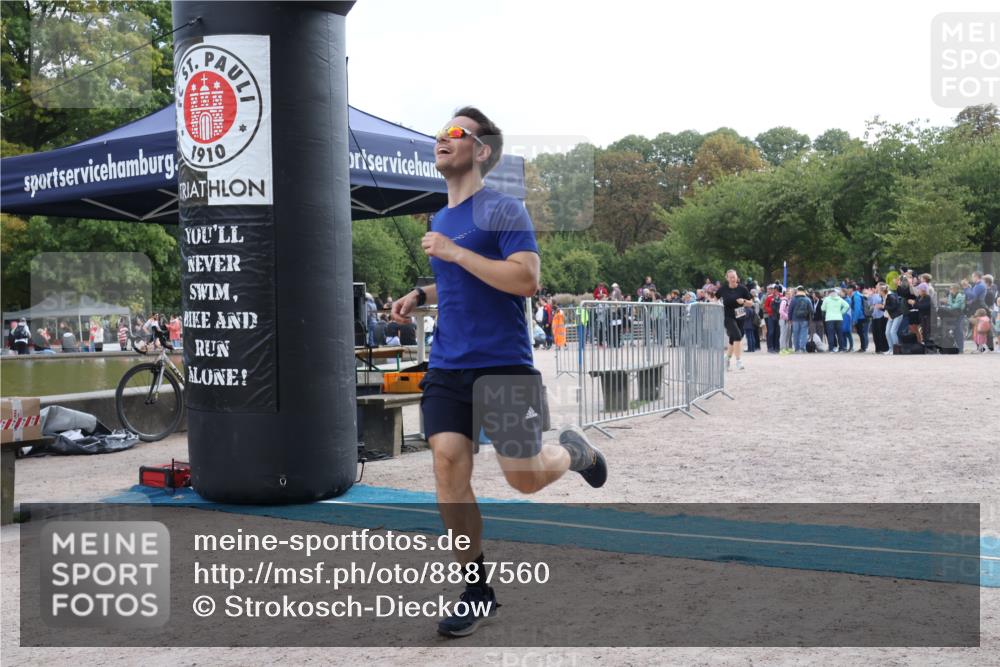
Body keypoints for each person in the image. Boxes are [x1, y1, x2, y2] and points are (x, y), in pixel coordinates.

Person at [390, 107, 606, 638]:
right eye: (441, 131)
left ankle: (575, 453)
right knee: (446, 464)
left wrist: (455, 253)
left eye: (455, 133)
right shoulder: (441, 219)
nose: (443, 138)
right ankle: (475, 588)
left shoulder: (503, 208)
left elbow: (525, 277)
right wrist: (423, 293)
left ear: (481, 150)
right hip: (448, 365)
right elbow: (464, 282)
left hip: (503, 364)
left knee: (523, 477)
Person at [717, 269, 751, 370]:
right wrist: (716, 304)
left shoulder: (742, 289)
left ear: (737, 277)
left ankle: (726, 358)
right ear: (727, 278)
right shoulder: (723, 289)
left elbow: (751, 303)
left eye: (734, 277)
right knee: (737, 335)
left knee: (734, 338)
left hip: (740, 316)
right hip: (728, 317)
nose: (732, 279)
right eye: (730, 277)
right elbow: (715, 298)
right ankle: (738, 361)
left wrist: (744, 301)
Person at [821, 288, 850, 352]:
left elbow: (822, 308)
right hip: (839, 318)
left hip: (829, 318)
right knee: (840, 334)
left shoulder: (826, 299)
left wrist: (827, 310)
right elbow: (847, 306)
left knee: (830, 334)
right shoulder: (839, 299)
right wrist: (841, 312)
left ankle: (831, 348)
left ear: (829, 294)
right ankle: (841, 348)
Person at [789, 286, 813, 353]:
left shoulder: (793, 299)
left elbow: (790, 310)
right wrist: (811, 319)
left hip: (795, 319)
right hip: (804, 319)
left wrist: (790, 318)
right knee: (803, 334)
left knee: (795, 334)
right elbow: (811, 310)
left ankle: (797, 349)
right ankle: (802, 349)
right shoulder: (807, 299)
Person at [870, 283, 890, 354]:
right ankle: (877, 349)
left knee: (881, 333)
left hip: (882, 316)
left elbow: (885, 305)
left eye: (877, 286)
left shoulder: (884, 295)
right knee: (875, 333)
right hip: (875, 316)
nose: (876, 287)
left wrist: (881, 306)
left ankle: (884, 348)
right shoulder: (874, 295)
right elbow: (871, 305)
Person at [763, 285, 781, 353]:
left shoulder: (781, 297)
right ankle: (770, 347)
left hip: (778, 317)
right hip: (771, 316)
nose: (775, 290)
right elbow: (765, 306)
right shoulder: (769, 297)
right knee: (771, 332)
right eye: (774, 289)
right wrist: (771, 310)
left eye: (777, 289)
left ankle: (777, 347)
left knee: (777, 332)